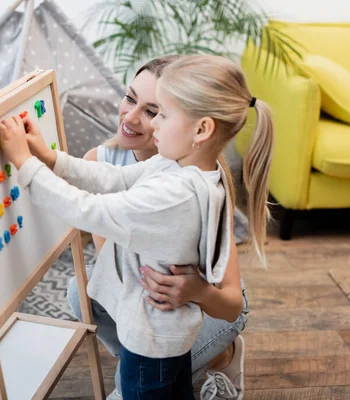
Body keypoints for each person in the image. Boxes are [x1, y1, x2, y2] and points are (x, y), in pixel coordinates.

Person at [0, 54, 273, 399]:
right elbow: (117, 178)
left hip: (150, 342)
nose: (154, 125)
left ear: (201, 129)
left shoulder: (175, 194)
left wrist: (24, 163)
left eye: (162, 114)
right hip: (162, 335)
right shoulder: (181, 168)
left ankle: (220, 359)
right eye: (133, 101)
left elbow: (87, 209)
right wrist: (49, 157)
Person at [69, 55, 249, 400]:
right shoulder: (102, 162)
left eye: (154, 112)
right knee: (82, 291)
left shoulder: (202, 182)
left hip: (209, 307)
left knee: (147, 370)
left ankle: (223, 355)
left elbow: (230, 302)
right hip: (153, 302)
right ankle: (141, 372)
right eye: (130, 97)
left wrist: (196, 291)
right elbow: (121, 272)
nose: (132, 118)